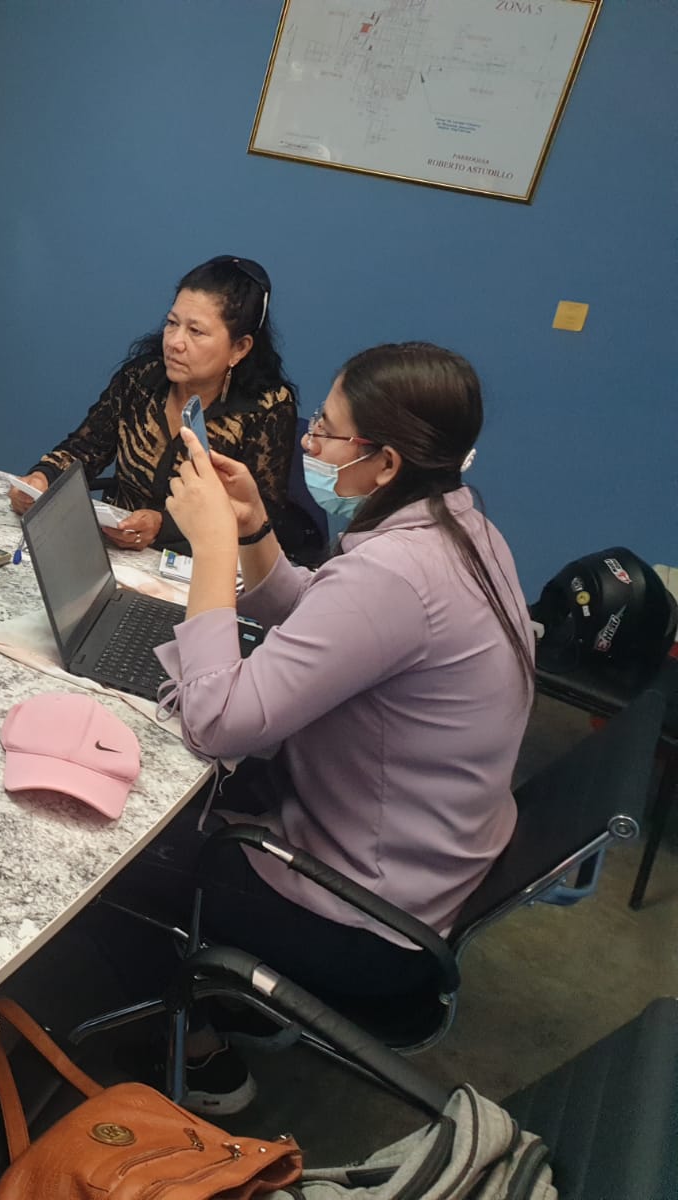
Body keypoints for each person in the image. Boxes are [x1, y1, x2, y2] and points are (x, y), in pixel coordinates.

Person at [94, 342, 534, 1114]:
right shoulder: (459, 528)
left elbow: (217, 723)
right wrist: (254, 530)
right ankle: (223, 994)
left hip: (364, 920)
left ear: (386, 463)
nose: (310, 444)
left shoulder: (395, 574)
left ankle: (200, 1059)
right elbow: (327, 621)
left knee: (108, 849)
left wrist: (212, 548)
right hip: (421, 867)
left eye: (327, 432)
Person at [8, 256, 297, 555]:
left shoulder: (267, 409)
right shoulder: (142, 379)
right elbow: (84, 449)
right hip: (112, 551)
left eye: (195, 331)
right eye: (172, 323)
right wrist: (42, 478)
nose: (174, 342)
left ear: (239, 348)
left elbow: (257, 518)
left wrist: (162, 525)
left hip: (198, 564)